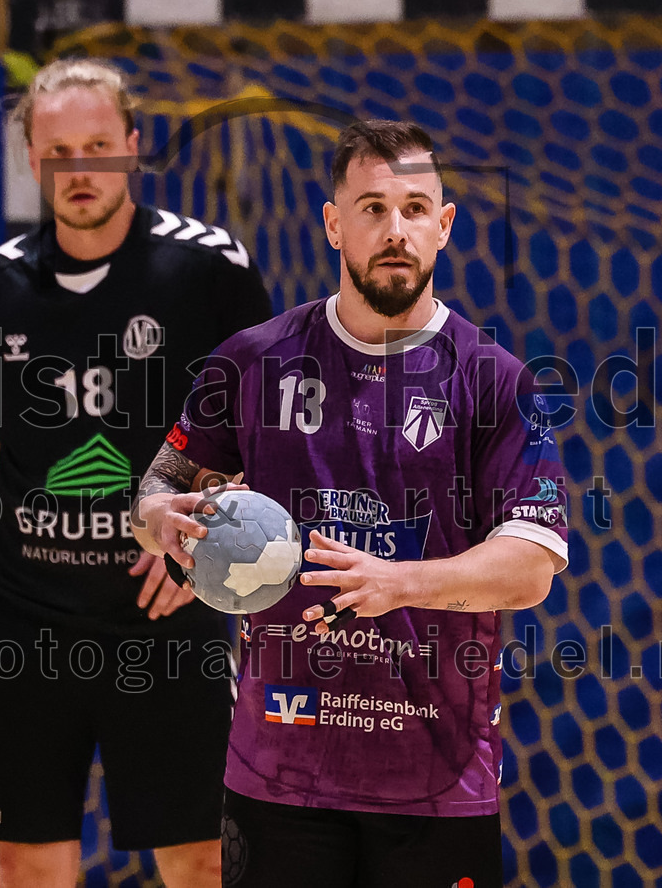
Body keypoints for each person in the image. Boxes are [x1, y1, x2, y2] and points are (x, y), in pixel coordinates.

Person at [133, 120, 568, 887]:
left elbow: (531, 566)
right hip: (279, 771)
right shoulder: (254, 359)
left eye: (412, 208)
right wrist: (163, 520)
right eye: (371, 207)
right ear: (334, 224)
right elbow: (160, 484)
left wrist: (398, 582)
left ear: (444, 225)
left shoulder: (495, 380)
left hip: (435, 779)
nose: (393, 229)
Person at [0, 58, 272, 888]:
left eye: (98, 144)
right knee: (26, 867)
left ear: (132, 147)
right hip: (28, 624)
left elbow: (267, 444)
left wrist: (207, 564)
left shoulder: (209, 269)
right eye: (57, 151)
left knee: (201, 862)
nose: (79, 168)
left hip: (165, 623)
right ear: (32, 158)